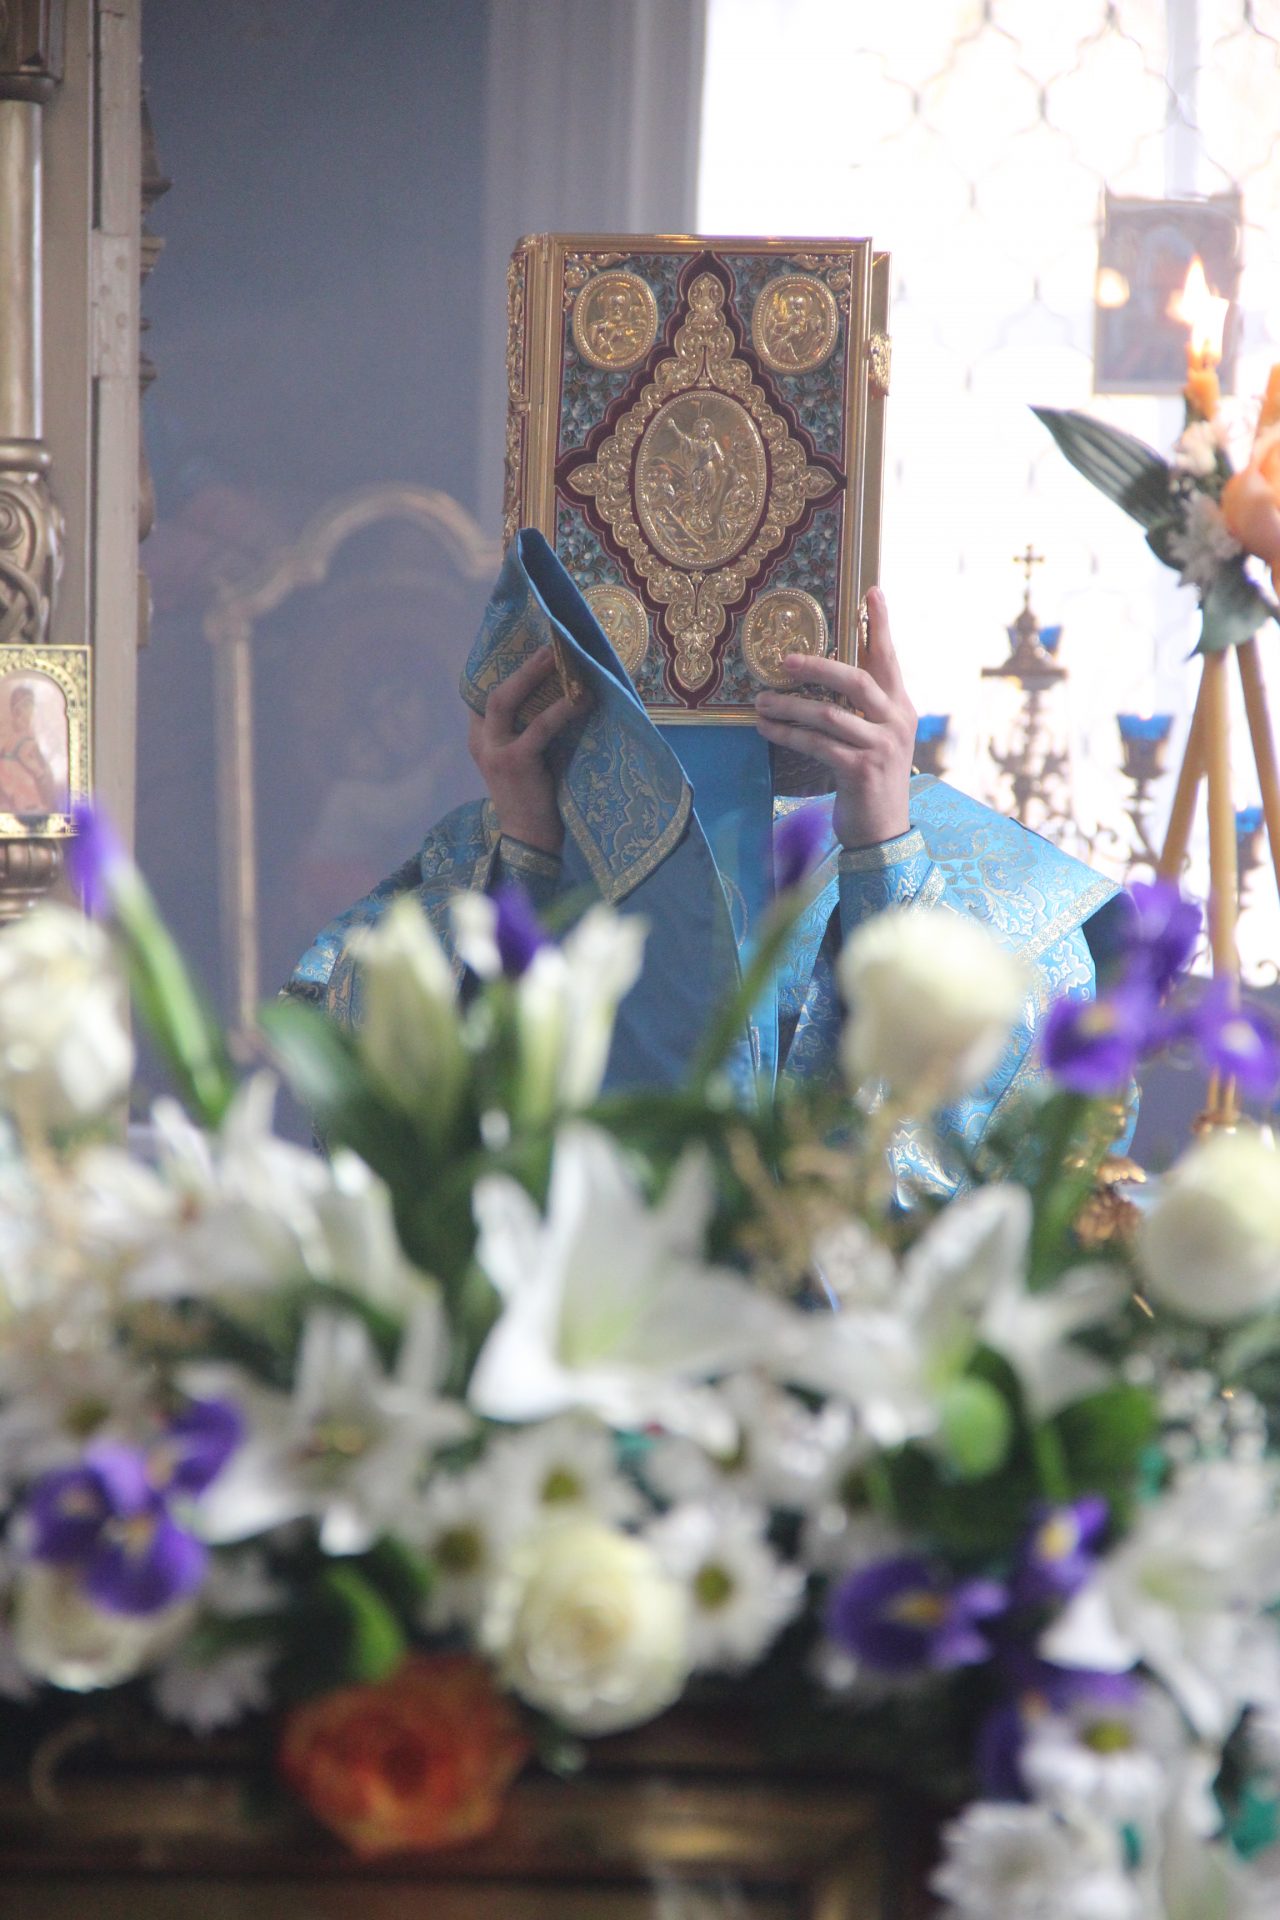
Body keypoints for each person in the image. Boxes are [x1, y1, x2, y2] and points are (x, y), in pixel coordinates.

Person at [290, 530, 1127, 1192]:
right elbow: (402, 1138)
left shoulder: (985, 876)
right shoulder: (494, 843)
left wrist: (884, 851)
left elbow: (999, 1163)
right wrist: (531, 858)